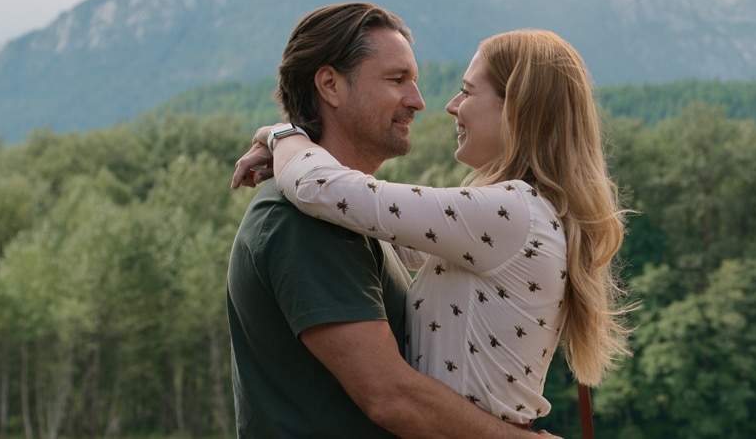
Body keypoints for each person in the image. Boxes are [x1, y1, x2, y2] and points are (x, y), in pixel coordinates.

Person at [234, 28, 632, 430]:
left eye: (468, 91)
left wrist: (280, 134)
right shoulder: (524, 216)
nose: (448, 105)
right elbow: (384, 231)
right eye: (396, 79)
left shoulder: (509, 213)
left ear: (519, 108)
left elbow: (319, 188)